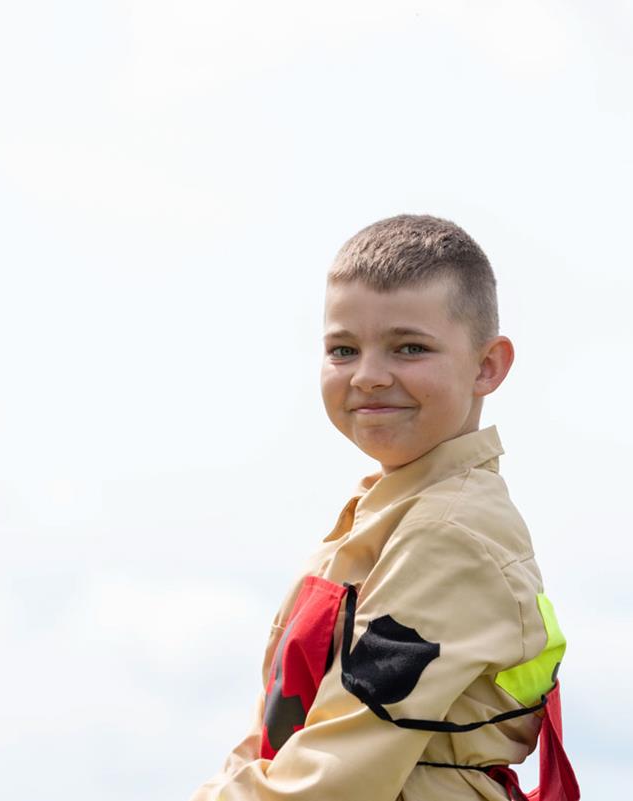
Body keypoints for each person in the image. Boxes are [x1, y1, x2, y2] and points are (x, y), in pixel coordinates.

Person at [189, 215, 579, 801]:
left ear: (487, 366)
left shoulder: (449, 533)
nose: (369, 376)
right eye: (343, 350)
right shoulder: (382, 512)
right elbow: (276, 738)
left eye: (409, 348)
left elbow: (334, 775)